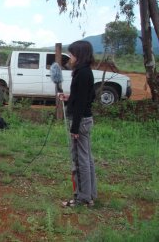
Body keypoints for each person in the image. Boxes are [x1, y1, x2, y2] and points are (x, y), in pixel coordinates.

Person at [59, 40, 97, 207]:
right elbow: (88, 97)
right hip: (85, 120)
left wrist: (74, 128)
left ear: (79, 56)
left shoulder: (82, 74)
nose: (71, 57)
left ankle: (81, 198)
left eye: (72, 54)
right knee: (86, 159)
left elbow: (82, 102)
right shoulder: (86, 72)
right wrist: (70, 98)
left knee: (79, 160)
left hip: (80, 122)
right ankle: (89, 195)